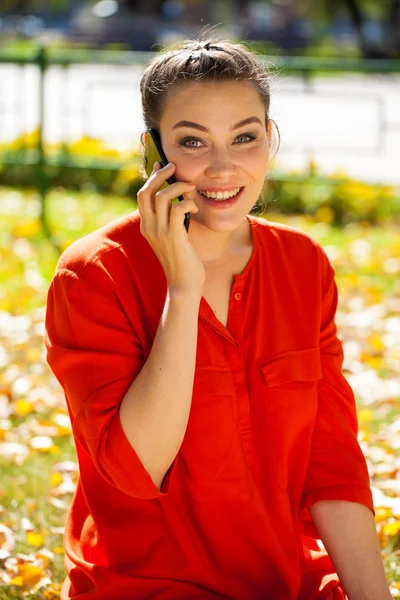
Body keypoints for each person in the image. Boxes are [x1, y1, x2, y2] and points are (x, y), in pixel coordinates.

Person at [44, 38, 392, 600]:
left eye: (245, 137)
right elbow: (137, 467)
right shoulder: (94, 274)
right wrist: (182, 288)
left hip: (285, 580)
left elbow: (331, 464)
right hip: (147, 585)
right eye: (192, 142)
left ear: (269, 140)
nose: (223, 166)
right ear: (153, 152)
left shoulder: (302, 264)